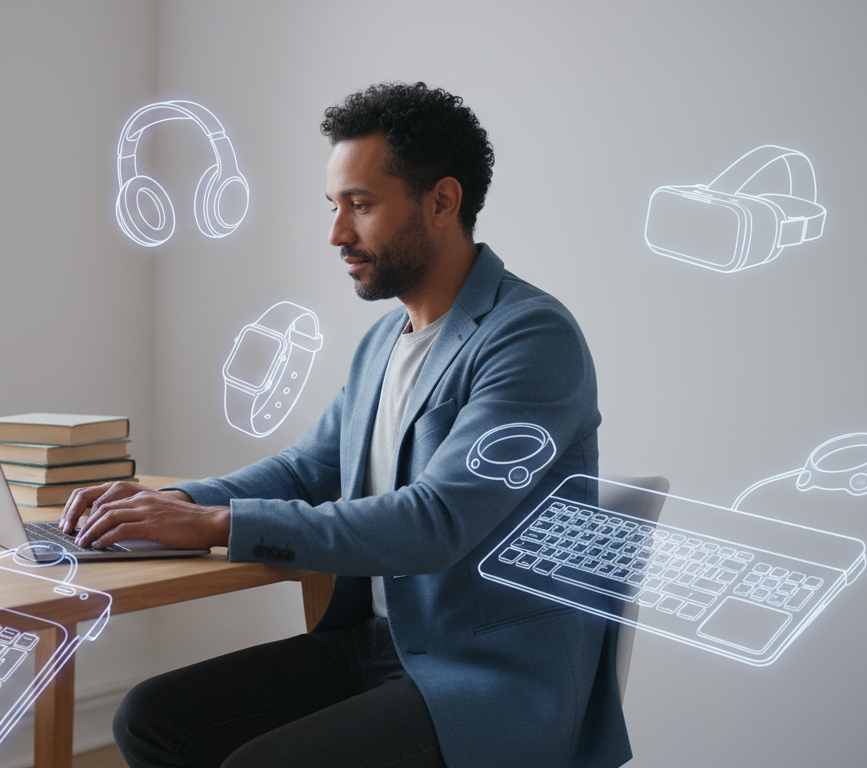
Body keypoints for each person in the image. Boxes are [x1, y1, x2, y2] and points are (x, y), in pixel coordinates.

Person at [61, 82, 631, 768]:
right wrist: (182, 501)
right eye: (335, 207)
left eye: (360, 206)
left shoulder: (531, 339)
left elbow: (435, 521)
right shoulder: (385, 341)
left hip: (485, 674)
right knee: (152, 719)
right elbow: (308, 468)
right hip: (379, 644)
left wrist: (219, 526)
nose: (336, 233)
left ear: (443, 202)